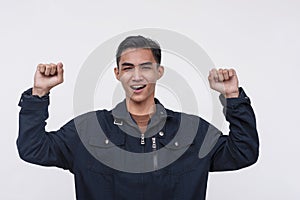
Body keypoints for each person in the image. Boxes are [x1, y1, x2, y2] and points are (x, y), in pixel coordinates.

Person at [17, 35, 259, 200]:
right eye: (128, 68)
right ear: (117, 74)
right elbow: (32, 148)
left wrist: (232, 97)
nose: (137, 77)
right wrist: (39, 93)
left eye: (145, 67)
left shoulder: (191, 131)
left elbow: (243, 152)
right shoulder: (89, 130)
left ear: (158, 72)